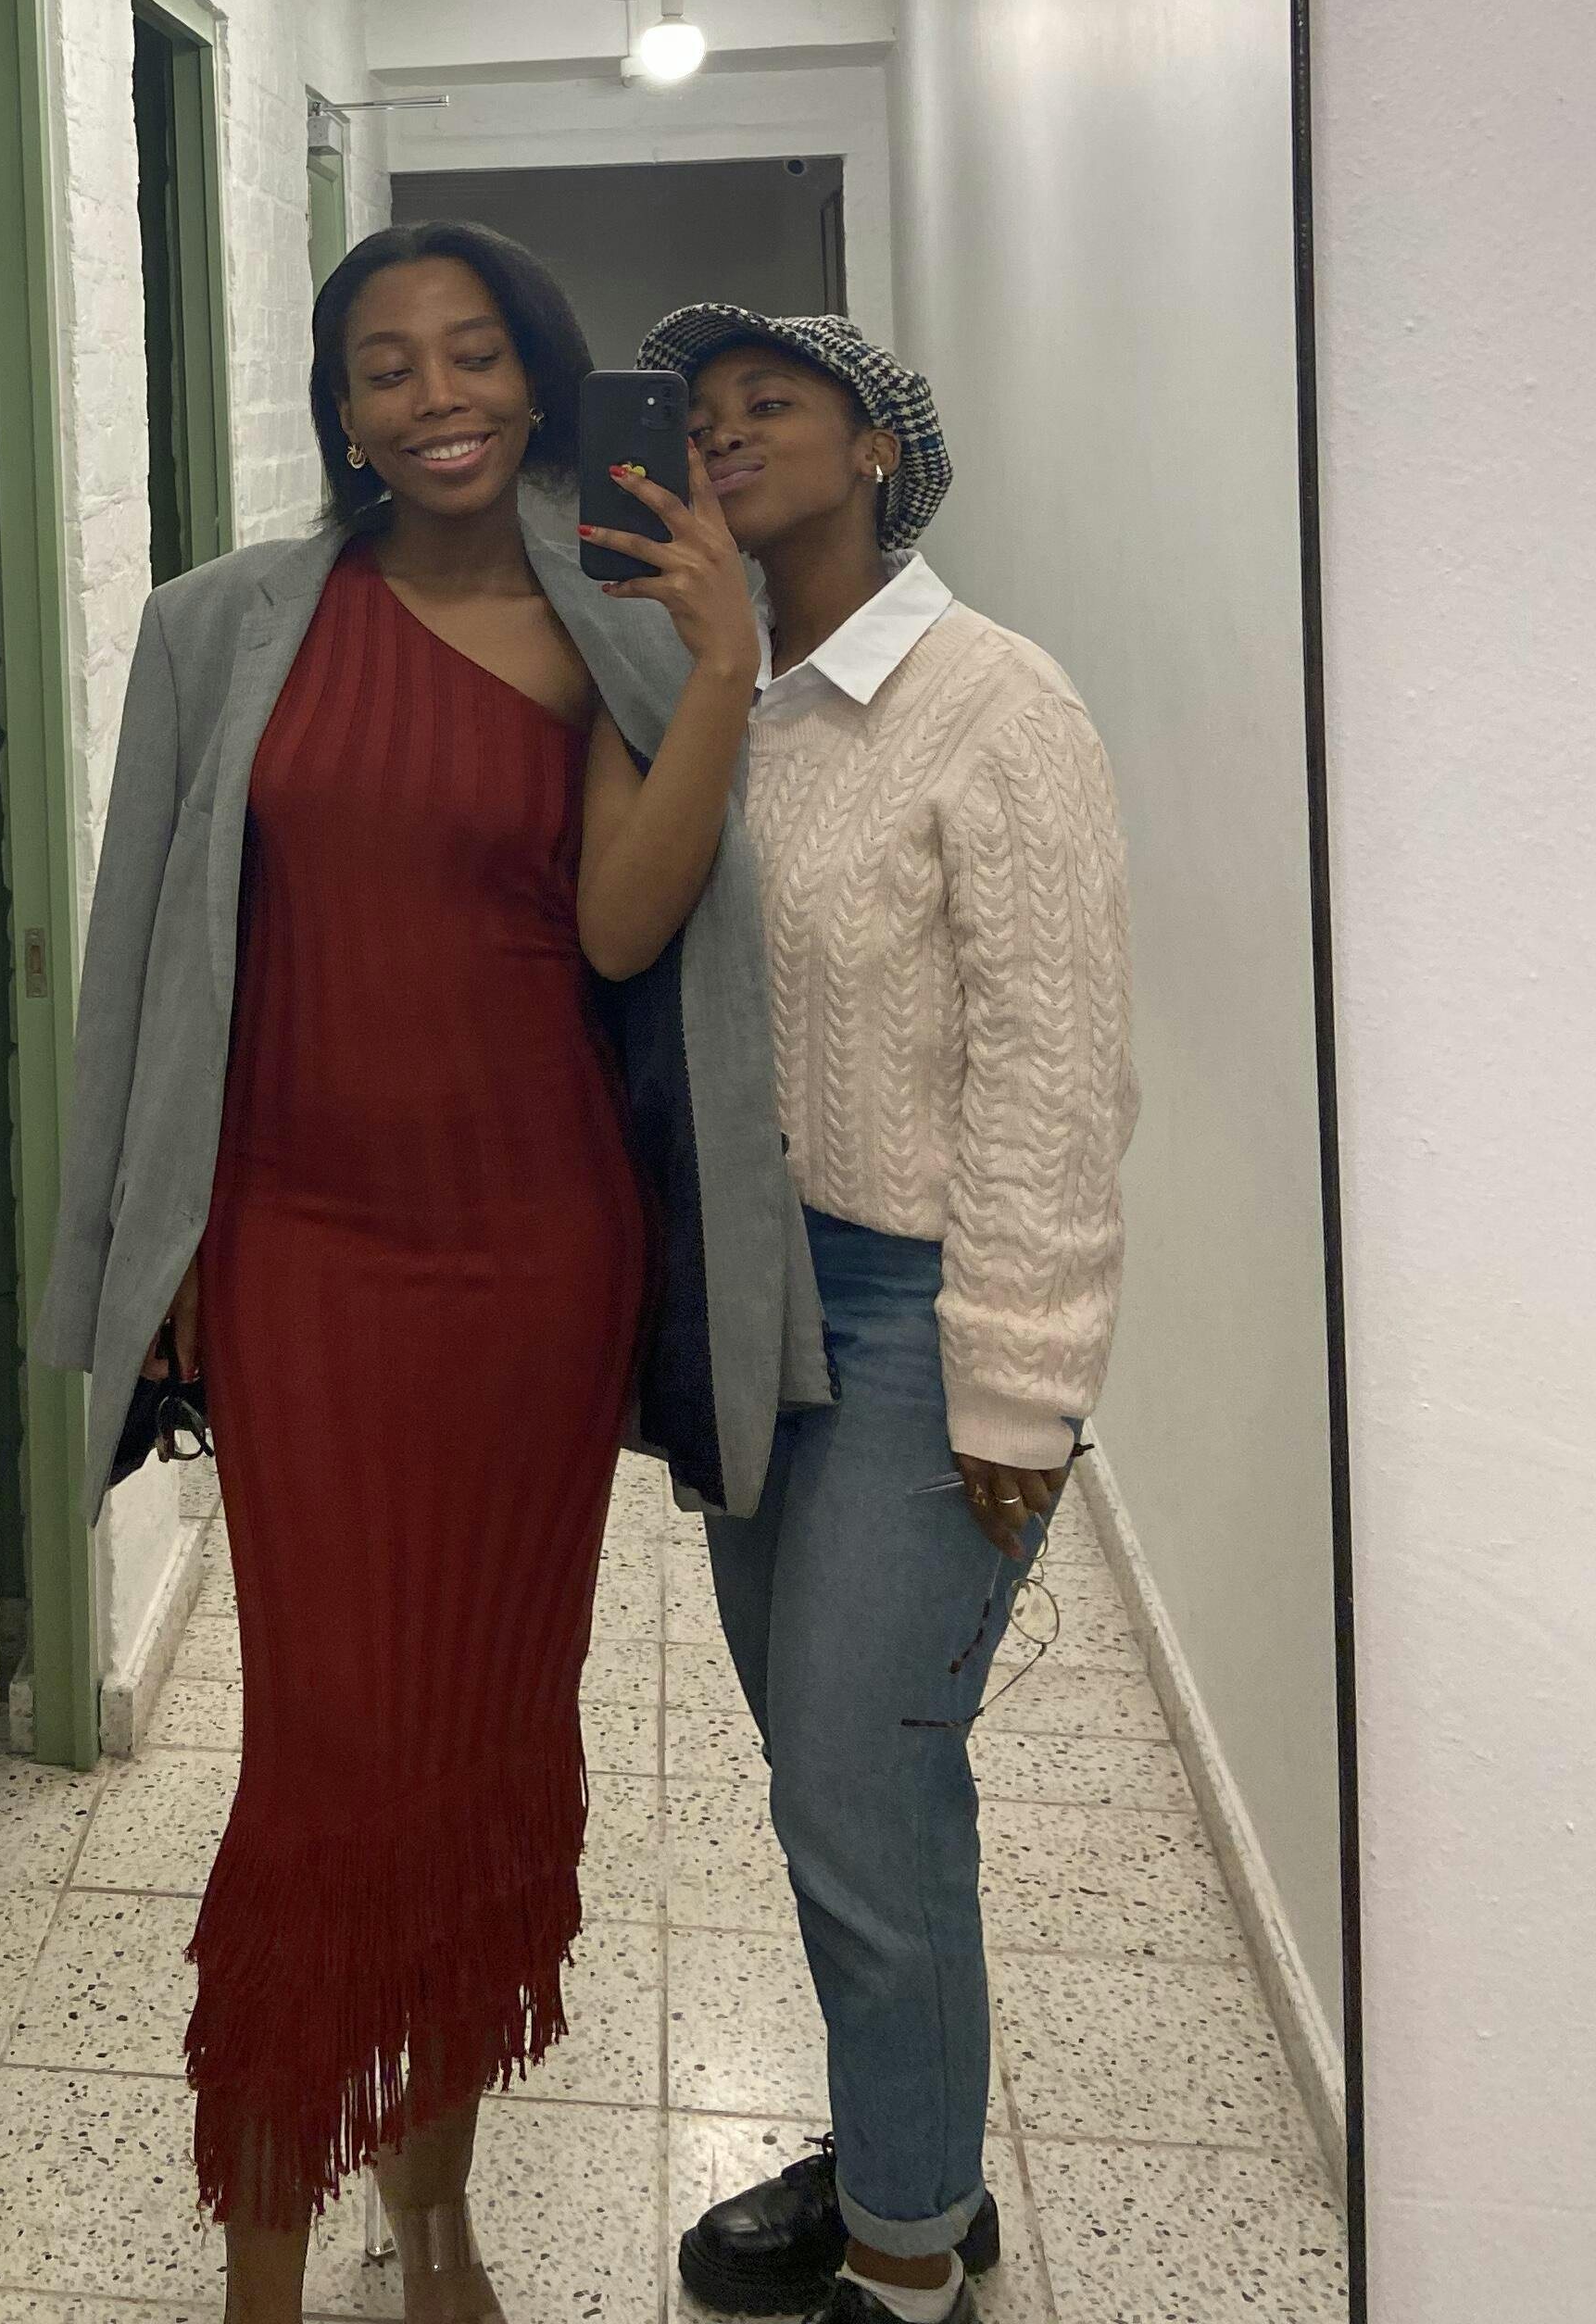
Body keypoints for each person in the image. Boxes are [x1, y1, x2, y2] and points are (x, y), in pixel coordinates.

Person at [34, 224, 823, 2324]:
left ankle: (440, 2211)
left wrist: (721, 669)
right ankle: (264, 2263)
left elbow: (626, 929)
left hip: (534, 1264)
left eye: (473, 354)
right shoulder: (219, 630)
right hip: (295, 1253)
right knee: (323, 1764)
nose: (436, 395)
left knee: (483, 1746)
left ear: (539, 380)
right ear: (340, 409)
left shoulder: (614, 622)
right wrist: (155, 1236)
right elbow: (148, 959)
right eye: (385, 366)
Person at [594, 307, 1136, 2324]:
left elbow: (1056, 1072)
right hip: (758, 1303)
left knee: (857, 1784)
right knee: (843, 1790)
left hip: (919, 1320)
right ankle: (912, 2159)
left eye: (776, 405)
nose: (727, 433)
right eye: (704, 413)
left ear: (880, 451)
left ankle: (905, 2273)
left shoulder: (993, 703)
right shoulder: (724, 695)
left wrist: (1022, 1385)